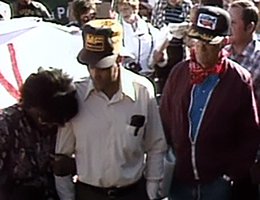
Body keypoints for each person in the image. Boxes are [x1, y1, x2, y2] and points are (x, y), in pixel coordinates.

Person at [55, 19, 167, 200]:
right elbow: (62, 156)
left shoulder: (142, 91)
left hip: (132, 192)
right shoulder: (75, 95)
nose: (95, 73)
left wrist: (152, 192)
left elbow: (155, 145)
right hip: (88, 193)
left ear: (120, 59)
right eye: (90, 65)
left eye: (103, 67)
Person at [160, 6, 260, 200]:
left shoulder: (239, 79)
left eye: (210, 44)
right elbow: (164, 121)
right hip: (180, 181)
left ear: (223, 43)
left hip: (218, 183)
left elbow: (250, 134)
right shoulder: (178, 73)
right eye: (198, 41)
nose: (202, 49)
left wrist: (231, 174)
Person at [0, 67, 78, 200]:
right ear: (30, 106)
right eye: (45, 119)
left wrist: (74, 165)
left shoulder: (61, 124)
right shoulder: (6, 126)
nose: (51, 126)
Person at [117, 0, 168, 81]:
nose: (124, 12)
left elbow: (161, 57)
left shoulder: (149, 29)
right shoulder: (117, 30)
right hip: (125, 77)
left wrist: (161, 58)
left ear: (135, 9)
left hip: (148, 76)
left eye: (126, 8)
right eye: (121, 10)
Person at [151, 0, 193, 98]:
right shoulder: (160, 4)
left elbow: (190, 26)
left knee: (178, 84)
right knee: (163, 85)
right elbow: (155, 27)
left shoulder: (186, 5)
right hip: (163, 48)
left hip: (179, 49)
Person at [225, 0, 260, 111]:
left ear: (250, 27)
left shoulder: (257, 59)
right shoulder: (222, 53)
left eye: (233, 23)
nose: (227, 27)